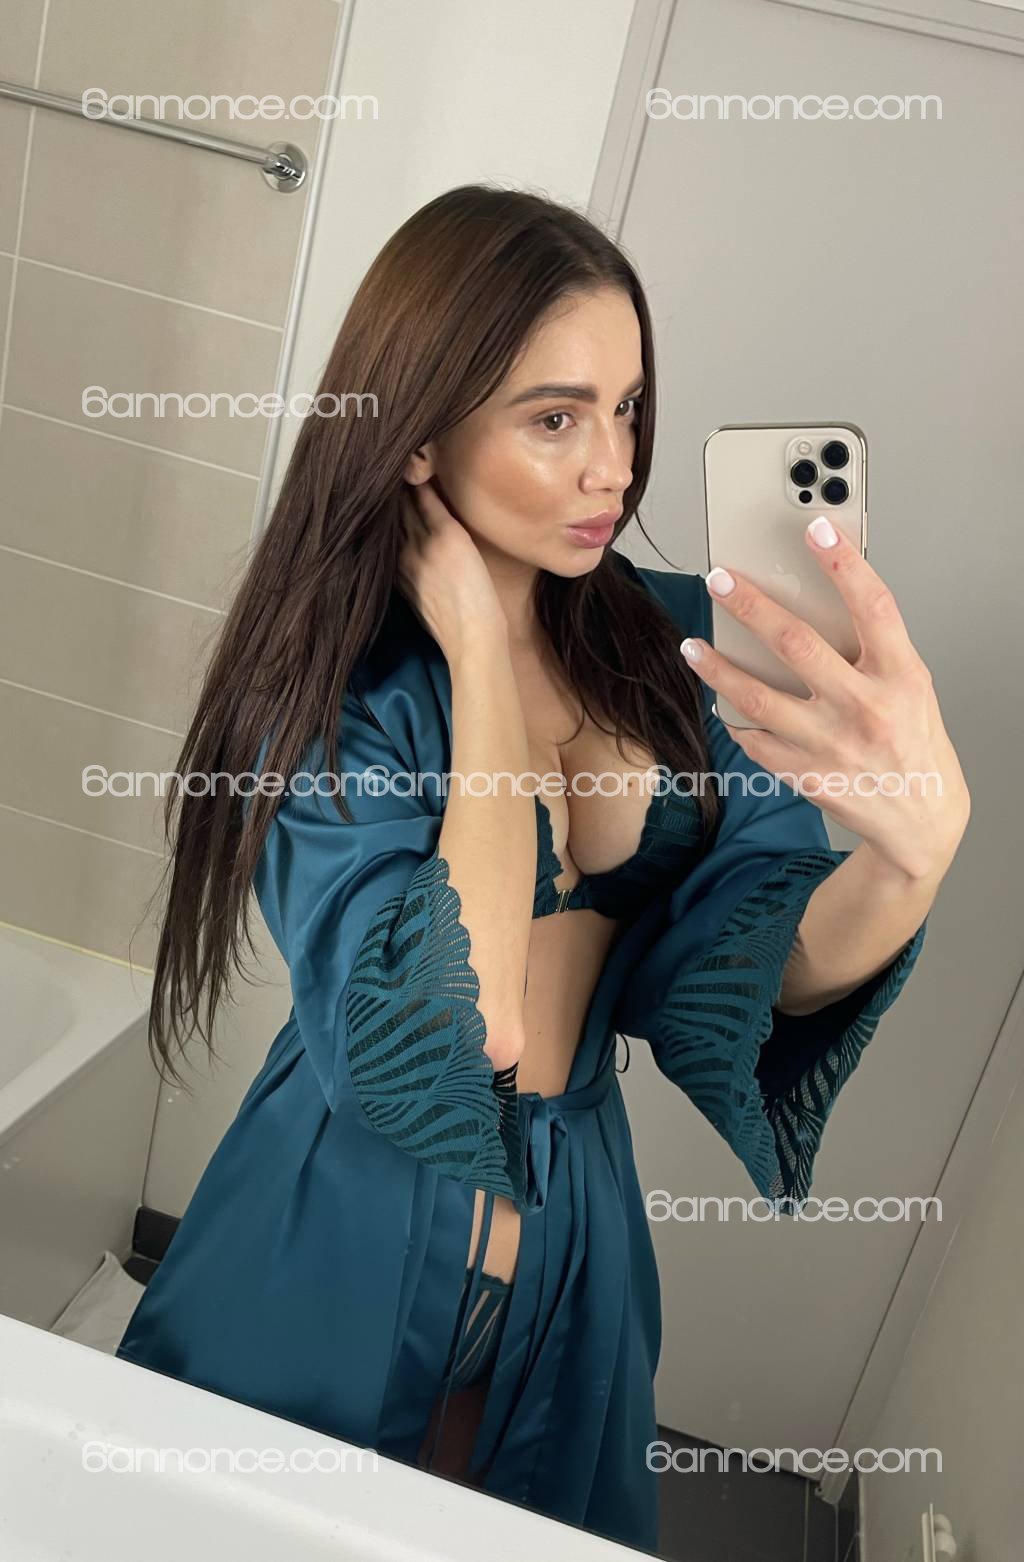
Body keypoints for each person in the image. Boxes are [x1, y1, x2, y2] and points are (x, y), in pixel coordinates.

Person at [115, 185, 967, 1553]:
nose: (613, 468)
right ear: (416, 432)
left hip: (577, 1248)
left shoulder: (675, 650)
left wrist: (912, 856)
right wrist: (473, 647)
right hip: (330, 1217)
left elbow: (765, 963)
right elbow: (461, 1032)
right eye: (555, 418)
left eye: (628, 408)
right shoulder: (334, 692)